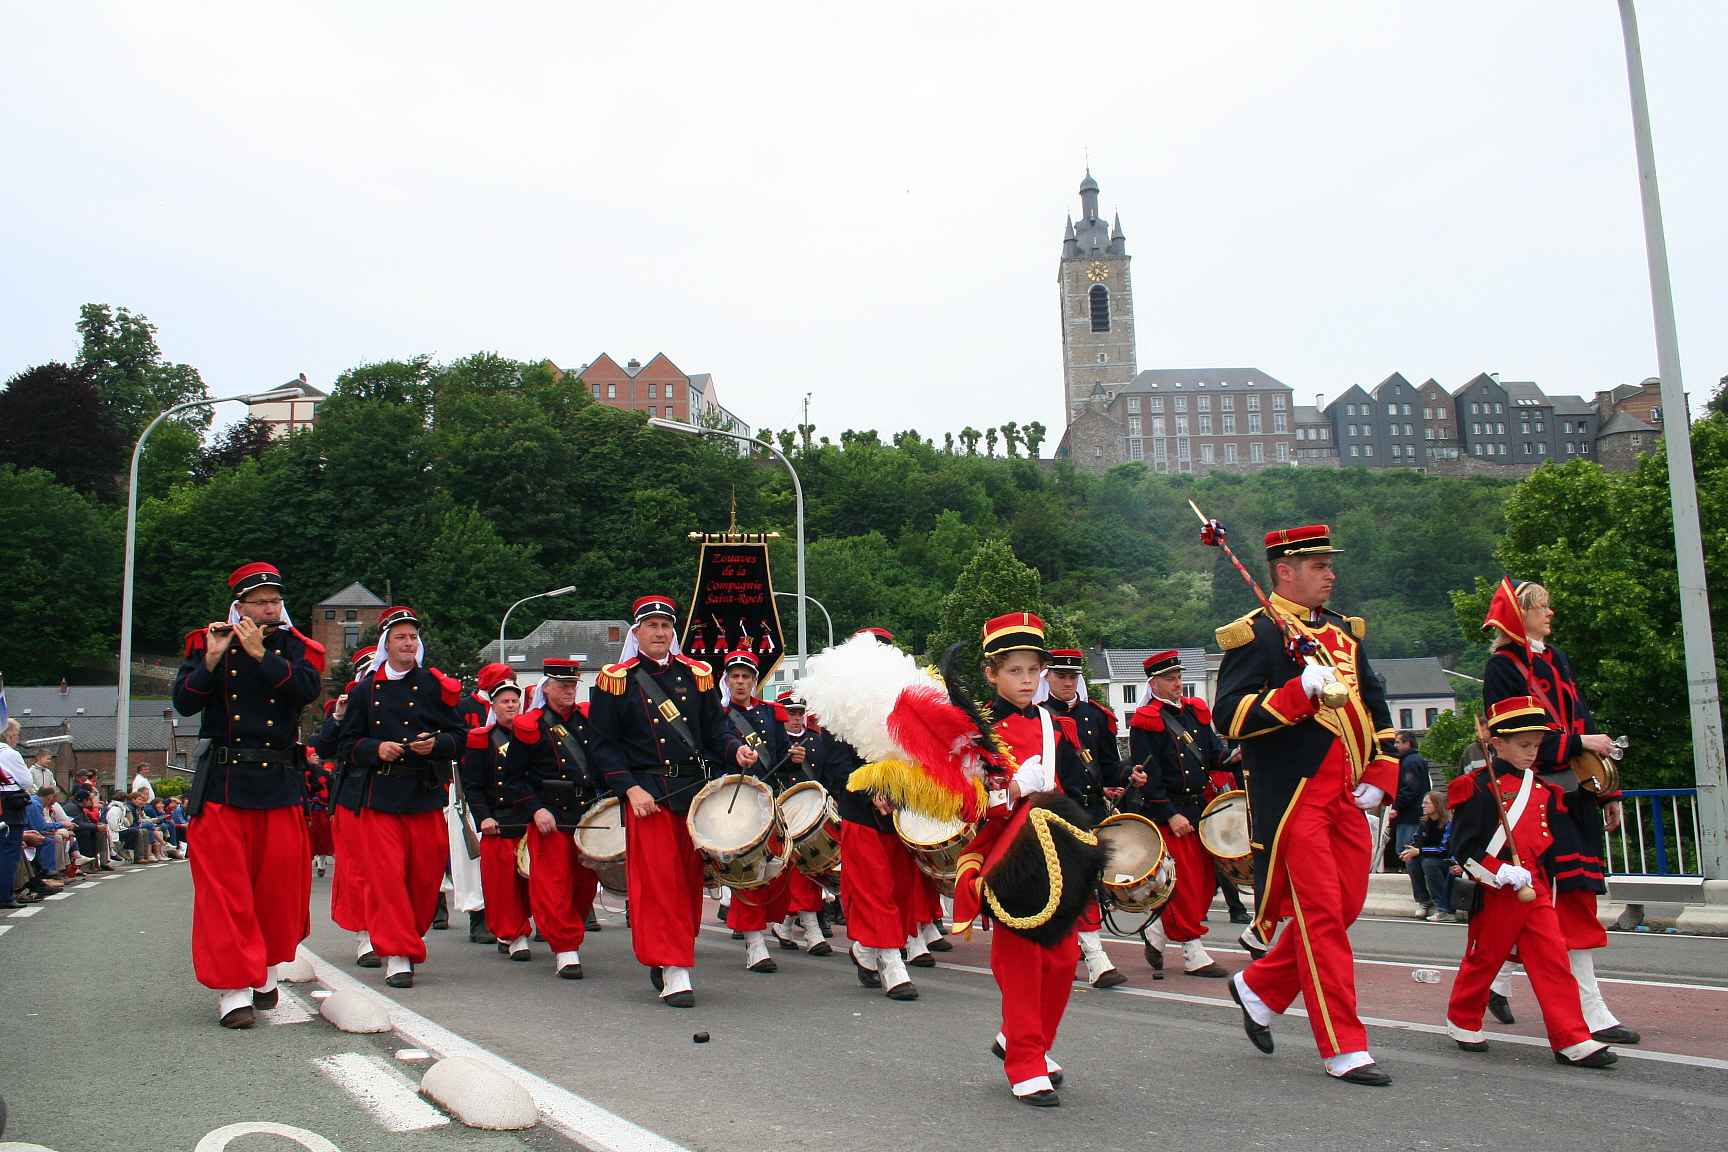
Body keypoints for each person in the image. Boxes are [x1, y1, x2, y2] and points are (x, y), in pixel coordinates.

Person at [1214, 524, 1401, 1087]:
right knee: (1321, 920)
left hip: (1345, 793)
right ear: (1284, 572)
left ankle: (1260, 986)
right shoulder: (1259, 635)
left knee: (1344, 907)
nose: (1331, 573)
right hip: (1295, 800)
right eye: (1319, 565)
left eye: (1328, 563)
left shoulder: (1345, 631)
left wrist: (1382, 768)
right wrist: (1299, 694)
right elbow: (1229, 718)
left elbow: (1374, 702)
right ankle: (1344, 1044)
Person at [951, 612, 1103, 1107]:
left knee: (1060, 961)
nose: (1027, 680)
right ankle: (1024, 1061)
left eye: (1033, 670)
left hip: (1051, 849)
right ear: (991, 673)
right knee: (1019, 962)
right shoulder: (976, 728)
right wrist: (1016, 788)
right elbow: (965, 808)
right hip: (1004, 855)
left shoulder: (1049, 722)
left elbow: (1063, 789)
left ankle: (1027, 1042)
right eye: (1014, 671)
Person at [1481, 578, 1639, 1045]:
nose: (1550, 614)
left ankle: (1493, 979)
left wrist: (1607, 790)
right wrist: (1576, 744)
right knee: (1558, 900)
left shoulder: (1558, 659)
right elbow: (1514, 739)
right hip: (1534, 794)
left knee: (1567, 897)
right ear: (1519, 613)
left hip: (1574, 793)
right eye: (1541, 607)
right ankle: (1589, 1009)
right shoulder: (1502, 667)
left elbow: (1582, 719)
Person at [172, 561, 325, 1027]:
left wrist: (263, 656)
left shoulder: (296, 647)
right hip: (223, 783)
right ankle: (234, 988)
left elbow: (306, 691)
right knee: (224, 890)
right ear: (240, 606)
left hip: (277, 783)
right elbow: (185, 701)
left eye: (275, 601)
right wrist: (214, 659)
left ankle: (265, 969)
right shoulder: (207, 641)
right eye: (261, 602)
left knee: (277, 888)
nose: (270, 608)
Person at [587, 594, 752, 1008]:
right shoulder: (616, 679)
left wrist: (736, 751)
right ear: (637, 632)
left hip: (692, 795)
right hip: (648, 796)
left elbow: (716, 732)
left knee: (688, 882)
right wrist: (629, 788)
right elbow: (603, 746)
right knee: (658, 884)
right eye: (652, 626)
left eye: (666, 626)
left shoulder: (697, 675)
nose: (659, 633)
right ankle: (676, 968)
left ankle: (671, 953)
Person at [1443, 696, 1617, 1068]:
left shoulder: (1543, 790)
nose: (1531, 753)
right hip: (1496, 890)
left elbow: (1549, 846)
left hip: (1534, 887)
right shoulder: (1474, 786)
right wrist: (1499, 870)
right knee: (1484, 959)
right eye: (1523, 745)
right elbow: (1464, 849)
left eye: (1536, 746)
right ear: (1497, 742)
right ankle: (1462, 1017)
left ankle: (1572, 1039)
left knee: (1553, 958)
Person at [336, 605, 465, 989]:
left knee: (425, 879)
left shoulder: (434, 687)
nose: (408, 643)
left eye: (413, 637)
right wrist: (376, 749)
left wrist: (436, 744)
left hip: (424, 794)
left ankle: (408, 937)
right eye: (400, 638)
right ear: (386, 644)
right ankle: (396, 954)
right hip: (381, 796)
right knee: (387, 878)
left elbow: (460, 738)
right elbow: (346, 744)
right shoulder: (364, 691)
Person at [1129, 650, 1230, 978]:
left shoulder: (1195, 714)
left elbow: (1215, 756)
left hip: (1201, 808)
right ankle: (1193, 953)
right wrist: (1169, 813)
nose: (1177, 684)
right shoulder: (1147, 721)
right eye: (1170, 679)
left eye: (1178, 677)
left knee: (1205, 883)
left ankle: (1156, 934)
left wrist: (1238, 755)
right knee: (1183, 883)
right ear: (1154, 682)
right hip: (1171, 812)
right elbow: (1148, 776)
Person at [1037, 647, 1127, 989]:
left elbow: (1108, 765)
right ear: (1049, 679)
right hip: (1057, 812)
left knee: (1083, 885)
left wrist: (1127, 774)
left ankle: (1083, 951)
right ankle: (1095, 956)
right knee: (1070, 886)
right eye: (1060, 676)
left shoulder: (1096, 716)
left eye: (1073, 676)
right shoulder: (1040, 716)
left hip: (1091, 810)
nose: (1067, 682)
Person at [507, 658, 603, 979]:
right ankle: (565, 946)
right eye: (563, 685)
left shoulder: (587, 721)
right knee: (554, 882)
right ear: (547, 687)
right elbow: (514, 777)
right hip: (550, 812)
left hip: (587, 812)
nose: (569, 691)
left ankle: (569, 931)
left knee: (584, 882)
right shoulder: (530, 725)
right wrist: (535, 808)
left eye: (573, 685)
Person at [460, 669, 533, 959]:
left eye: (515, 701)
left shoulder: (532, 737)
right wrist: (483, 817)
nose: (511, 705)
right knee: (502, 886)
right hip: (497, 822)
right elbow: (473, 786)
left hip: (527, 820)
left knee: (529, 884)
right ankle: (513, 935)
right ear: (494, 705)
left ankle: (519, 926)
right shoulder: (481, 739)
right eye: (505, 701)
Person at [321, 646, 376, 965]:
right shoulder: (350, 703)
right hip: (355, 794)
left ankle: (394, 928)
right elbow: (325, 746)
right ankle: (366, 935)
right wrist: (338, 717)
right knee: (357, 868)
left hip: (397, 792)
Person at [1398, 790, 1458, 921]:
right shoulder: (1425, 822)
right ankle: (1424, 900)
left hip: (1447, 861)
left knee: (1429, 863)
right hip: (1430, 857)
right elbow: (1416, 841)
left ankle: (1444, 908)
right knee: (1412, 861)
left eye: (1426, 803)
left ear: (1437, 805)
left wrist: (1420, 852)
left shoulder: (1449, 823)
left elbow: (1444, 850)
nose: (1422, 806)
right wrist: (1408, 851)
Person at [1386, 732, 1431, 872]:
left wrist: (1396, 807)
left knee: (1406, 849)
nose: (1395, 746)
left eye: (1398, 742)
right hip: (1415, 812)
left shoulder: (1410, 762)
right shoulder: (1415, 760)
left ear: (1407, 743)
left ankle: (1417, 880)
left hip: (1409, 814)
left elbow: (1409, 788)